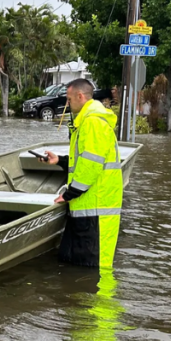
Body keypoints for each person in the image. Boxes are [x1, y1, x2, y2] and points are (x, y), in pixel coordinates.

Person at [41, 79, 123, 267]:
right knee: (76, 265)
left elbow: (91, 165)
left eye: (69, 99)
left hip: (96, 209)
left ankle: (103, 298)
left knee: (95, 267)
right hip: (87, 206)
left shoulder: (93, 123)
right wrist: (59, 160)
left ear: (80, 96)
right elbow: (84, 159)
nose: (67, 104)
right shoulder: (86, 122)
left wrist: (69, 194)